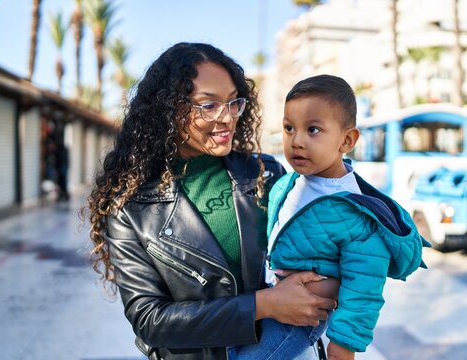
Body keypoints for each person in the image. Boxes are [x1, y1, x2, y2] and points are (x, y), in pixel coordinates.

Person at [84, 42, 338, 360]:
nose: (228, 118)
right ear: (170, 110)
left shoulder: (265, 174)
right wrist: (264, 304)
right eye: (209, 105)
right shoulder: (130, 209)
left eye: (234, 103)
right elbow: (150, 320)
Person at [230, 75, 430, 360]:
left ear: (347, 140)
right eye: (289, 128)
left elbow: (364, 285)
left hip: (301, 319)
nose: (296, 141)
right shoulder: (289, 184)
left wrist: (344, 343)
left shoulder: (356, 212)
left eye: (313, 130)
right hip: (272, 299)